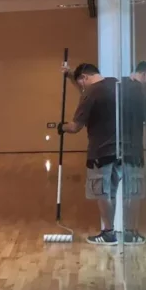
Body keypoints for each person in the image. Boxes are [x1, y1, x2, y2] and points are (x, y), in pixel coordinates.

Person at [58, 63, 119, 245]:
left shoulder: (90, 93)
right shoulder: (114, 84)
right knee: (111, 193)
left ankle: (109, 233)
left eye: (81, 83)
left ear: (84, 77)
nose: (81, 88)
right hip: (119, 150)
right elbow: (88, 93)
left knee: (101, 193)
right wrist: (71, 75)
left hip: (100, 151)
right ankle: (110, 229)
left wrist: (61, 127)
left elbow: (75, 127)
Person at [119, 61, 146, 244]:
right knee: (134, 193)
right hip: (134, 149)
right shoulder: (144, 93)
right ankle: (131, 232)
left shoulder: (118, 86)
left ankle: (124, 230)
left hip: (115, 148)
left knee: (122, 192)